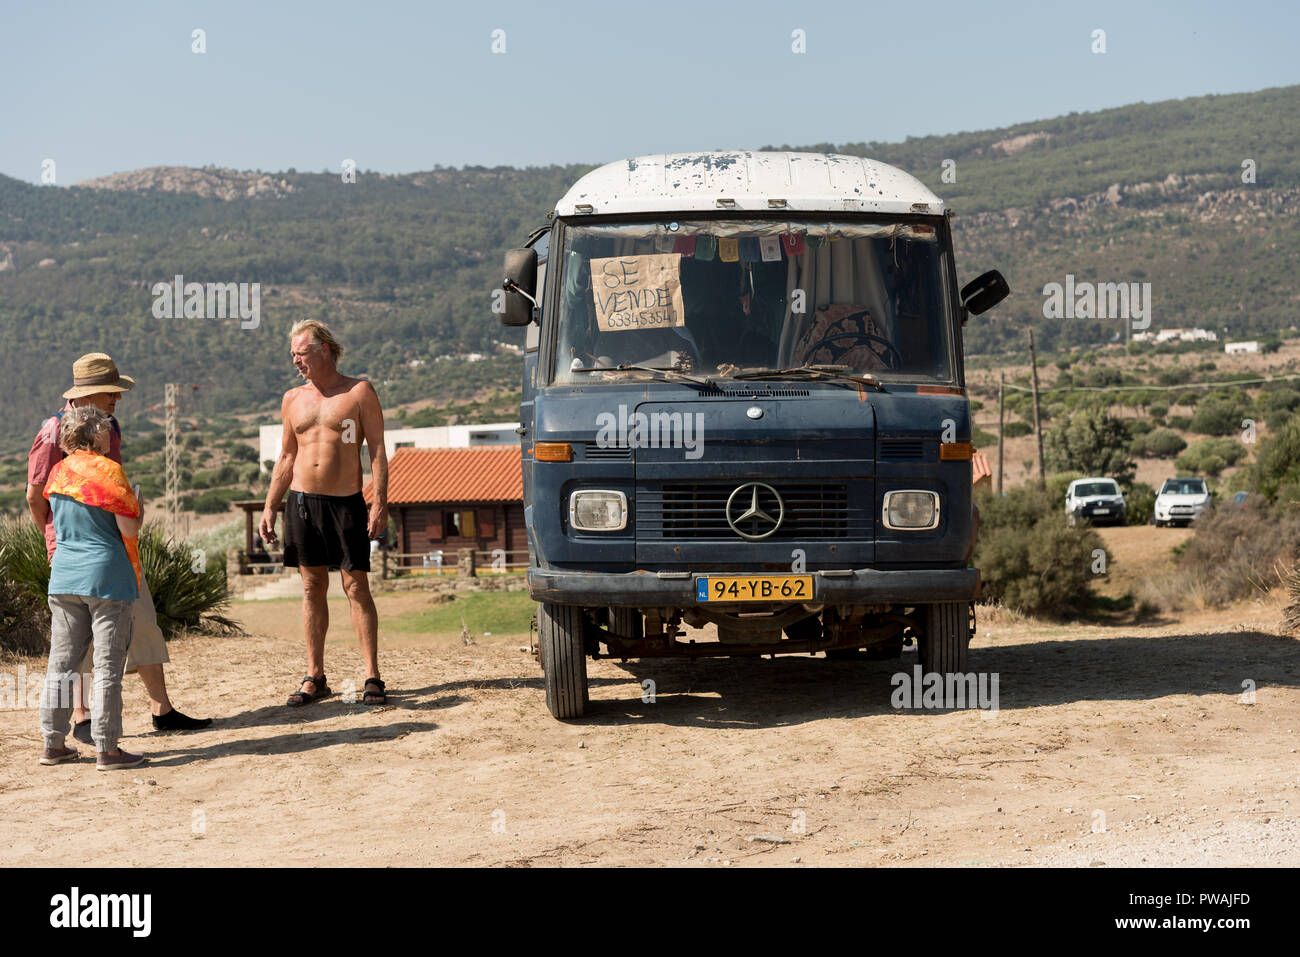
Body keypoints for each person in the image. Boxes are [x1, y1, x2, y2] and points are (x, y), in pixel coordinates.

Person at [26, 353, 211, 740]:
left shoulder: (109, 426)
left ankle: (162, 710)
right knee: (82, 643)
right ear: (89, 393)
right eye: (112, 391)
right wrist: (56, 538)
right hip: (80, 550)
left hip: (115, 547)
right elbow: (35, 495)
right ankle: (83, 718)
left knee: (141, 619)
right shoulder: (52, 430)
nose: (118, 399)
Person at [259, 320, 389, 707]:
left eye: (301, 353)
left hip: (345, 501)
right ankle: (315, 675)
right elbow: (286, 456)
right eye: (293, 355)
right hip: (301, 502)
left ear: (324, 351)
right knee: (312, 587)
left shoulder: (359, 392)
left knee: (356, 587)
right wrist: (270, 505)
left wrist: (379, 501)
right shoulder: (292, 399)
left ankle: (372, 676)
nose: (296, 361)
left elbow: (377, 450)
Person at [38, 406, 146, 769]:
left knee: (62, 665)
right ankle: (108, 748)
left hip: (64, 576)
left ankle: (53, 744)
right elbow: (128, 530)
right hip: (107, 578)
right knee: (108, 666)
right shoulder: (109, 471)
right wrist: (139, 509)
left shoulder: (58, 472)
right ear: (97, 435)